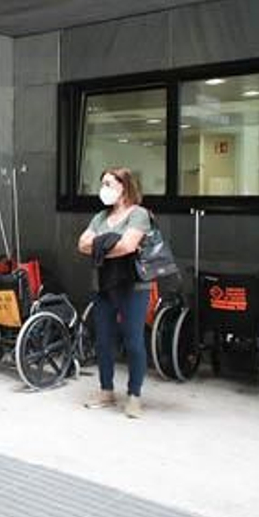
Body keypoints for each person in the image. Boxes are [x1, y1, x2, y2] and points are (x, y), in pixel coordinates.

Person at [76, 167, 152, 418]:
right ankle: (106, 390)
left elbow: (129, 245)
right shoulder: (100, 217)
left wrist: (100, 244)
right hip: (103, 284)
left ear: (124, 186)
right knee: (103, 340)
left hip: (133, 286)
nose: (103, 189)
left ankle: (134, 395)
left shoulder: (138, 214)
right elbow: (81, 244)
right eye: (103, 184)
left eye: (109, 183)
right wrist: (109, 243)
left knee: (133, 341)